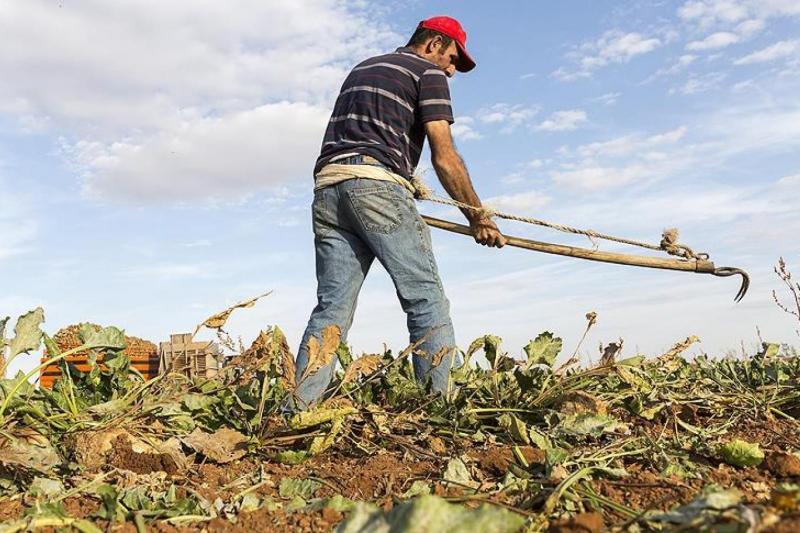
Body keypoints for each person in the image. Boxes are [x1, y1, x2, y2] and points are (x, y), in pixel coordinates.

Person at [293, 15, 505, 408]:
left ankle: (296, 410)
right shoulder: (428, 72)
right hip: (375, 186)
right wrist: (478, 217)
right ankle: (436, 410)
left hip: (328, 189)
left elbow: (368, 134)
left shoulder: (364, 67)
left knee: (331, 309)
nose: (453, 70)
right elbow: (445, 155)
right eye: (454, 58)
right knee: (426, 299)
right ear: (434, 43)